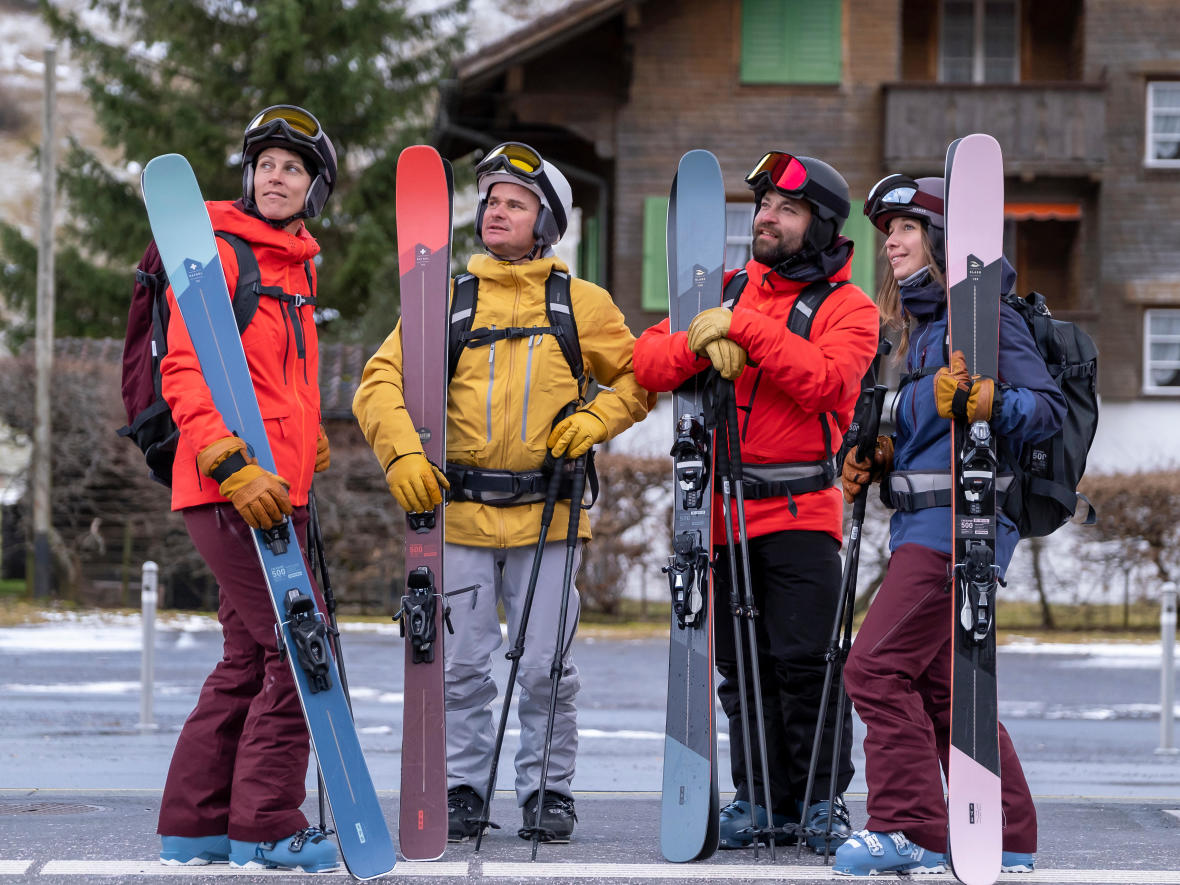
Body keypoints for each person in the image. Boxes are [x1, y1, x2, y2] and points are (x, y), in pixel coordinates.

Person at [352, 141, 652, 844]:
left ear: (545, 222)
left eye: (515, 204)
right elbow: (378, 384)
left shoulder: (581, 303)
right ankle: (460, 787)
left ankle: (548, 790)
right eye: (491, 201)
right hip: (456, 517)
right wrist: (401, 456)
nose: (497, 211)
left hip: (550, 518)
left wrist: (596, 416)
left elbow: (642, 377)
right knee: (458, 666)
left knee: (548, 664)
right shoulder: (447, 299)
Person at [633, 152, 879, 852]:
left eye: (786, 209)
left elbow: (829, 383)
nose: (766, 217)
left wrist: (742, 329)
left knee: (807, 663)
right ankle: (760, 798)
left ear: (822, 226)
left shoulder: (848, 307)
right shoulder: (729, 287)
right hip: (722, 511)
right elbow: (646, 362)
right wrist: (697, 340)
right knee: (742, 669)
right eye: (764, 206)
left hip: (802, 513)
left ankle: (820, 801)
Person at [832, 174, 1064, 876]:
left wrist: (987, 397)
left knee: (872, 668)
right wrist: (873, 452)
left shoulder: (985, 316)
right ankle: (1009, 834)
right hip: (920, 529)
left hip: (958, 533)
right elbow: (928, 427)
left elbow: (1043, 407)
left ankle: (911, 827)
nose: (891, 244)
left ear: (939, 238)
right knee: (940, 690)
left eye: (904, 229)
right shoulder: (918, 330)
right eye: (887, 233)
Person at [155, 104, 340, 873]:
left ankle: (196, 826)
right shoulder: (219, 251)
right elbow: (183, 365)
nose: (275, 175)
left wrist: (307, 442)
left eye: (293, 167)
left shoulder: (297, 267)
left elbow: (276, 382)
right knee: (302, 655)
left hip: (279, 492)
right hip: (231, 488)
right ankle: (266, 824)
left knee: (248, 657)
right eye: (266, 163)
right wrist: (230, 460)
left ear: (314, 189)